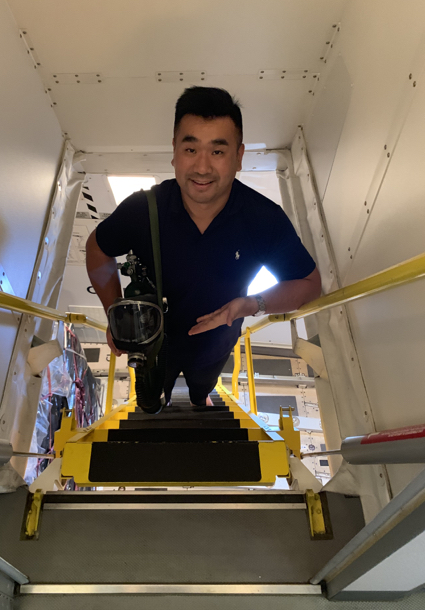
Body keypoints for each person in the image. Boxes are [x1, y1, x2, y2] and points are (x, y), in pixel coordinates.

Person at [86, 86, 321, 407]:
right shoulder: (143, 209)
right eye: (191, 149)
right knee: (151, 395)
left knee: (202, 387)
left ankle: (199, 399)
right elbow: (97, 248)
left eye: (218, 151)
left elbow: (310, 284)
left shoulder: (263, 220)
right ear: (174, 151)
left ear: (239, 156)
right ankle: (160, 401)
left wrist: (252, 304)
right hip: (153, 340)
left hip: (216, 343)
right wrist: (114, 311)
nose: (202, 167)